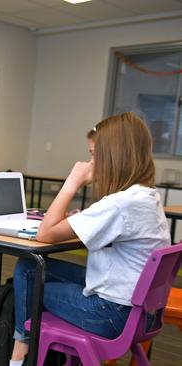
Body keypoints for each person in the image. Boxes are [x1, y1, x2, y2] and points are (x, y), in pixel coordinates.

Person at [9, 112, 171, 366]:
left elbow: (45, 234)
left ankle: (19, 351)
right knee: (30, 268)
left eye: (94, 155)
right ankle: (23, 345)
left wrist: (71, 184)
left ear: (112, 157)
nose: (89, 163)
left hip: (111, 314)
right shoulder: (146, 197)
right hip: (142, 313)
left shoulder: (119, 204)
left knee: (32, 283)